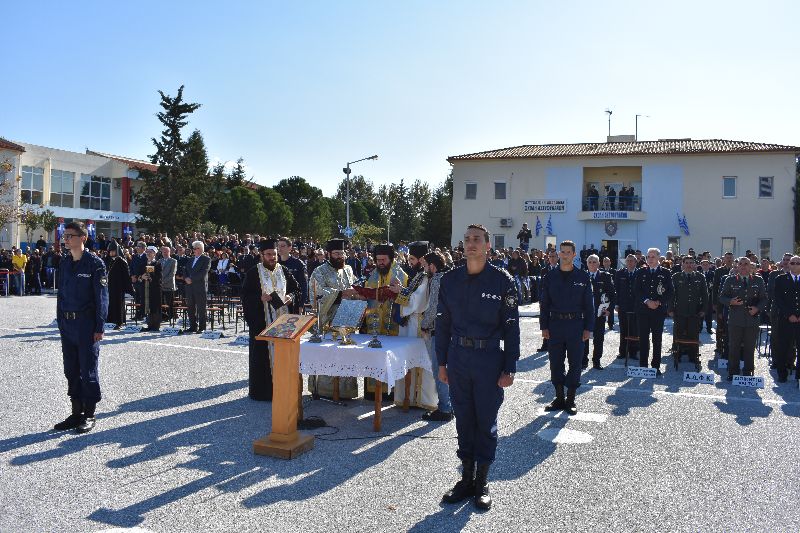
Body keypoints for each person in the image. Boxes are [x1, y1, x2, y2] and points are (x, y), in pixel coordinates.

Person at [436, 224, 519, 510]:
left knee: (485, 421)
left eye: (477, 239)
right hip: (458, 358)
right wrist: (442, 362)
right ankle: (466, 479)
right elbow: (442, 324)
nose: (471, 244)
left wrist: (510, 367)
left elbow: (512, 328)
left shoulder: (502, 281)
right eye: (467, 239)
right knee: (463, 419)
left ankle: (482, 480)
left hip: (488, 361)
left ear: (487, 246)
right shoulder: (450, 280)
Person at [54, 221, 108, 434]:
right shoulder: (65, 263)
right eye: (64, 236)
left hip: (86, 325)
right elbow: (61, 294)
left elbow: (102, 298)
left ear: (82, 238)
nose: (65, 240)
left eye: (69, 236)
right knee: (71, 369)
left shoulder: (95, 264)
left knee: (88, 369)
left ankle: (89, 414)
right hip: (67, 325)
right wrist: (60, 321)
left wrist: (99, 326)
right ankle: (76, 412)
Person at [241, 239, 301, 401]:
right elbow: (245, 296)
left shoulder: (285, 270)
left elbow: (297, 289)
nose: (272, 257)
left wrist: (291, 296)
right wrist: (259, 298)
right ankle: (264, 392)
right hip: (262, 322)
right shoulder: (254, 273)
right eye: (268, 254)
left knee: (284, 356)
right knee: (262, 357)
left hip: (284, 322)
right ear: (262, 255)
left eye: (274, 254)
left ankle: (284, 388)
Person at [540, 240, 593, 415]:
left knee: (575, 362)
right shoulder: (550, 277)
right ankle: (559, 397)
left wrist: (588, 328)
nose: (564, 255)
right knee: (555, 362)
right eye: (562, 252)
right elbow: (544, 304)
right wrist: (544, 326)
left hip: (576, 325)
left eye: (568, 252)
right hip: (555, 325)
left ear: (574, 255)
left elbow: (589, 306)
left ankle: (570, 399)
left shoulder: (582, 277)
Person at [309, 238, 362, 399]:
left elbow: (353, 287)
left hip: (348, 320)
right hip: (328, 322)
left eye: (342, 253)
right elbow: (315, 294)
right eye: (337, 253)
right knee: (328, 354)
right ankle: (324, 390)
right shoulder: (319, 271)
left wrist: (357, 293)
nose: (341, 256)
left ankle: (345, 391)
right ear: (329, 254)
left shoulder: (348, 269)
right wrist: (339, 294)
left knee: (346, 354)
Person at [393, 241, 438, 410]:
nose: (409, 262)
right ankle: (408, 396)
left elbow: (418, 302)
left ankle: (421, 399)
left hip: (418, 324)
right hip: (410, 322)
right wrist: (402, 291)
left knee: (421, 360)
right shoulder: (418, 275)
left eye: (412, 258)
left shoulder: (425, 277)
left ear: (421, 259)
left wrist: (400, 292)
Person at [362, 243, 409, 399]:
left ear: (391, 259)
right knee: (373, 356)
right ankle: (372, 391)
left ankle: (390, 392)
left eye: (383, 259)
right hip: (374, 323)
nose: (380, 263)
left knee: (390, 357)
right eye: (378, 259)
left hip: (392, 325)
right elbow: (368, 294)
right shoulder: (373, 275)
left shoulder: (401, 275)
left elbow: (406, 298)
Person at [719, 257, 767, 380]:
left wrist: (757, 308)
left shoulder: (758, 280)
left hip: (752, 320)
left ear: (750, 266)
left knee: (750, 347)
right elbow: (722, 297)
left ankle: (748, 371)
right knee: (734, 347)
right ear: (737, 266)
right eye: (741, 264)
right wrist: (731, 301)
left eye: (746, 264)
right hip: (736, 319)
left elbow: (764, 299)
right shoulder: (730, 280)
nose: (743, 266)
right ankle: (733, 372)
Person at [419, 251, 453, 422]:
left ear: (432, 265)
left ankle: (445, 408)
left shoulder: (437, 280)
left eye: (426, 266)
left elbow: (433, 307)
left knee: (439, 370)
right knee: (448, 369)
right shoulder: (451, 276)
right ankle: (450, 406)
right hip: (451, 330)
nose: (425, 269)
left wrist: (424, 324)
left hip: (438, 330)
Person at [634, 247, 674, 375]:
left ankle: (655, 366)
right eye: (648, 257)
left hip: (658, 311)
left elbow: (670, 292)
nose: (650, 259)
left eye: (653, 257)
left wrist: (658, 302)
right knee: (643, 339)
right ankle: (643, 366)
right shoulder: (641, 272)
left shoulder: (666, 272)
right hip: (643, 311)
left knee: (657, 339)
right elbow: (637, 290)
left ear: (658, 258)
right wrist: (647, 301)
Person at [669, 255, 708, 368]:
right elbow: (672, 295)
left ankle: (693, 355)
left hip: (694, 311)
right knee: (678, 333)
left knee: (693, 334)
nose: (689, 265)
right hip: (679, 311)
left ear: (695, 265)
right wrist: (670, 309)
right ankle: (678, 353)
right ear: (683, 264)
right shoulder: (676, 277)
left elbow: (705, 295)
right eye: (687, 263)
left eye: (691, 263)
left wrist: (704, 309)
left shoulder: (700, 277)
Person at [583, 254, 615, 370]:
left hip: (599, 312)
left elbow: (612, 294)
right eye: (590, 262)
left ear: (598, 263)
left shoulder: (605, 276)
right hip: (585, 313)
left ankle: (596, 361)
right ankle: (583, 361)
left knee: (599, 338)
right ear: (587, 264)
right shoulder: (582, 276)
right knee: (584, 337)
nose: (592, 264)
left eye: (594, 262)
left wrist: (609, 310)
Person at [771, 256, 800, 383]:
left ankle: (798, 375)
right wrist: (789, 315)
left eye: (797, 263)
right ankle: (782, 373)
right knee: (783, 347)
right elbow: (778, 299)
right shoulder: (781, 279)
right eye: (792, 263)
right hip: (786, 319)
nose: (794, 265)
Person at [184, 240, 211, 332]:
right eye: (193, 248)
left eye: (195, 248)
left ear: (200, 249)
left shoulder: (206, 259)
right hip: (189, 287)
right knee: (190, 307)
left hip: (200, 287)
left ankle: (202, 327)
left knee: (201, 308)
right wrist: (186, 278)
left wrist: (192, 279)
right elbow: (185, 270)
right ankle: (192, 326)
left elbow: (203, 272)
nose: (193, 250)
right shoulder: (191, 259)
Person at [105, 240, 133, 328]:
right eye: (110, 251)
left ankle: (118, 322)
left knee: (117, 304)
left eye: (113, 251)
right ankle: (109, 321)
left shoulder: (121, 261)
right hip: (109, 286)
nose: (111, 253)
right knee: (109, 304)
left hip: (118, 287)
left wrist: (128, 287)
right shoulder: (109, 261)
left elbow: (126, 276)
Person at [277, 236, 308, 314]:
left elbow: (303, 286)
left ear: (290, 248)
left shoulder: (298, 264)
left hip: (294, 303)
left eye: (283, 246)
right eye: (278, 246)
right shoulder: (275, 264)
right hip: (278, 303)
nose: (279, 248)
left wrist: (301, 305)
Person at [712, 252, 735, 358]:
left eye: (731, 258)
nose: (729, 259)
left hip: (732, 303)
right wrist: (715, 303)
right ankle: (719, 345)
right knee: (720, 324)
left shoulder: (736, 270)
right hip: (721, 301)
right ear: (724, 260)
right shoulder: (719, 271)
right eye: (727, 258)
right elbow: (715, 288)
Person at [141, 246, 163, 332]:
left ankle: (156, 325)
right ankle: (149, 324)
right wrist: (141, 277)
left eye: (150, 252)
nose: (148, 254)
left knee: (155, 307)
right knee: (148, 306)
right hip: (146, 288)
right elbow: (139, 274)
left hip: (155, 288)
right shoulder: (144, 263)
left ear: (154, 254)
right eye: (147, 252)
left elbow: (158, 277)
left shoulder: (157, 263)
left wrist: (149, 276)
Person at [160, 246, 177, 321]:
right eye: (164, 252)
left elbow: (172, 274)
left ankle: (170, 316)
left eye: (167, 252)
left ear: (169, 252)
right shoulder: (159, 261)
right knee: (161, 302)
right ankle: (163, 316)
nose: (165, 253)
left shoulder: (173, 261)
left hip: (169, 285)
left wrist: (163, 282)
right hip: (160, 286)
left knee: (169, 302)